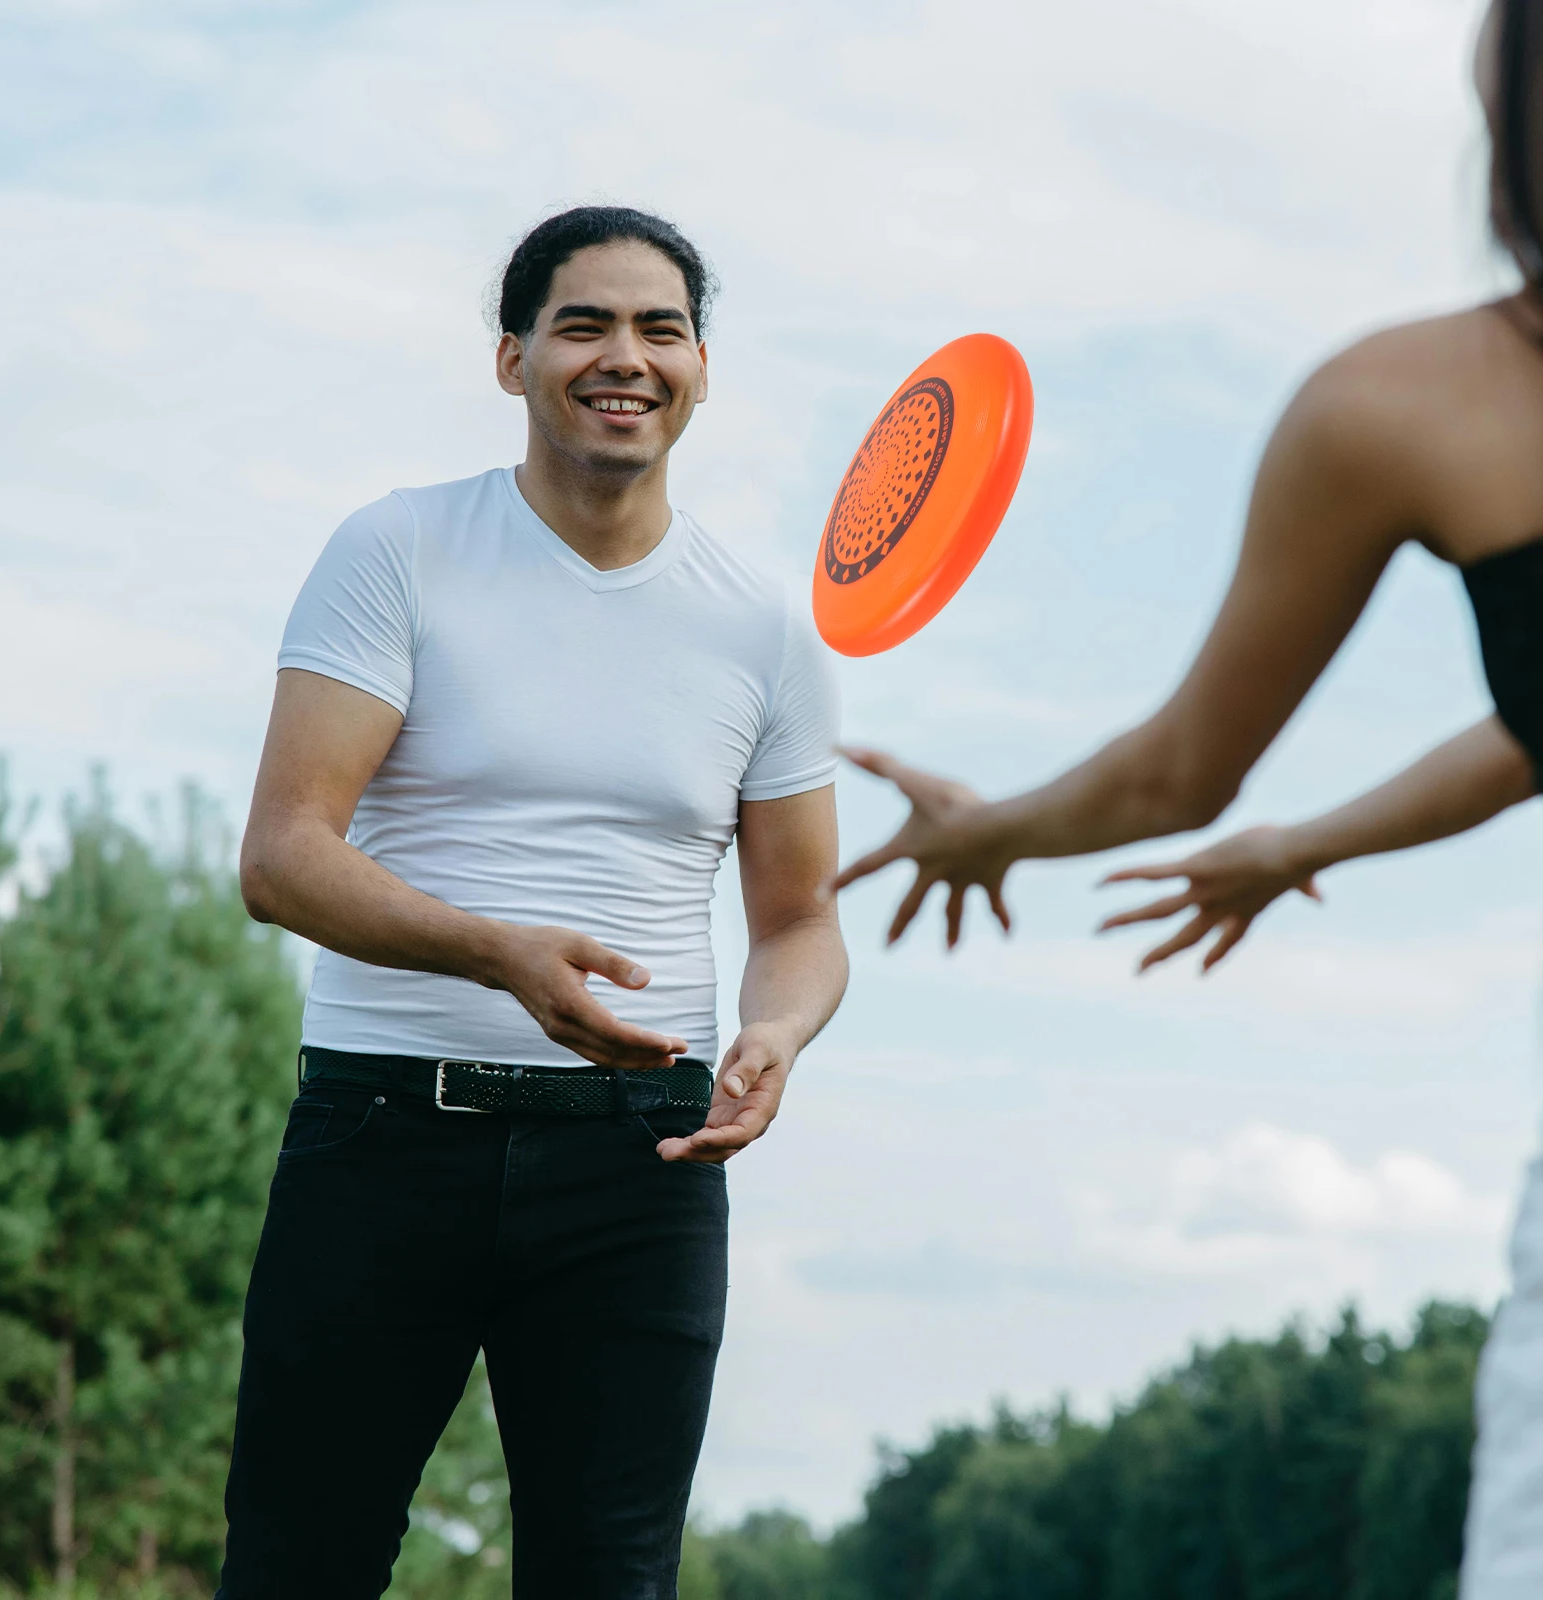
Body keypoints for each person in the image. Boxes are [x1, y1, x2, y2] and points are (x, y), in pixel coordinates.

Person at [833, 3, 1543, 1594]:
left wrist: (999, 828)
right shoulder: (1401, 413)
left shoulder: (1411, 401)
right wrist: (1299, 841)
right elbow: (1509, 732)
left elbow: (1180, 772)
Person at [221, 205, 848, 1600]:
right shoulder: (398, 549)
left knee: (610, 1581)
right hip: (384, 1130)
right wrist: (499, 952)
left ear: (700, 370)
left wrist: (779, 1034)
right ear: (513, 360)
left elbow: (800, 918)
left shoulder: (761, 622)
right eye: (584, 323)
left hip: (648, 1158)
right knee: (295, 1568)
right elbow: (282, 854)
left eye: (660, 327)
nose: (624, 355)